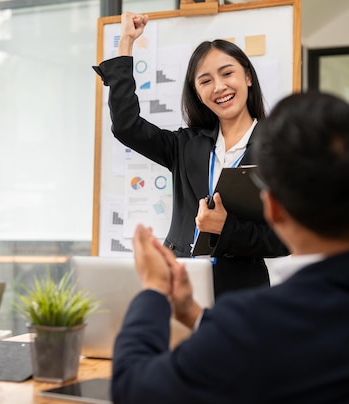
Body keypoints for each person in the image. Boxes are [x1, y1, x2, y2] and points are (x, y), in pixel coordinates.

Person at [111, 91, 349, 404]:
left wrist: (155, 290)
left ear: (272, 207)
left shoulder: (254, 326)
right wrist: (192, 312)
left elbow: (133, 394)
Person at [93, 12, 289, 297]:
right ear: (197, 93)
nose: (219, 87)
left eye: (227, 73)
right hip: (179, 286)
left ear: (247, 76)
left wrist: (227, 229)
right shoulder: (185, 145)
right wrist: (126, 43)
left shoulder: (279, 150)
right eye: (205, 80)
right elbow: (126, 126)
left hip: (241, 294)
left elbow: (284, 238)